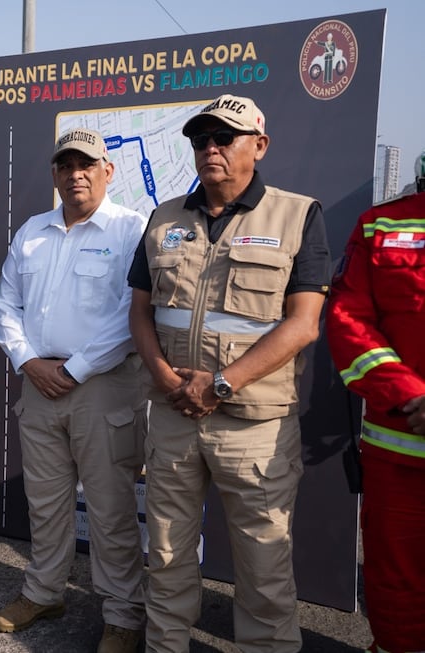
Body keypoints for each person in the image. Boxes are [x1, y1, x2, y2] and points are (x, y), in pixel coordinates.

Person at [127, 94, 331, 652]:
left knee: (263, 565)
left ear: (259, 146)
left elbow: (303, 325)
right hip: (173, 415)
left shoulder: (297, 214)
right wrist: (170, 380)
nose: (209, 148)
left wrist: (220, 384)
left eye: (224, 137)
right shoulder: (164, 216)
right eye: (200, 139)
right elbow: (140, 311)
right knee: (166, 554)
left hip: (253, 423)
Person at [0, 128, 147, 651]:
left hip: (104, 387)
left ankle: (123, 613)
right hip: (38, 384)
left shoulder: (133, 228)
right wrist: (28, 360)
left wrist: (74, 370)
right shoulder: (33, 229)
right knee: (46, 502)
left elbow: (136, 315)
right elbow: (5, 304)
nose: (75, 174)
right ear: (55, 173)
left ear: (108, 170)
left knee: (110, 508)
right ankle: (43, 591)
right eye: (65, 165)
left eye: (86, 164)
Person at [325, 152, 425, 653]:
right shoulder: (383, 226)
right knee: (396, 585)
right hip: (402, 457)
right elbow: (349, 321)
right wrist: (410, 396)